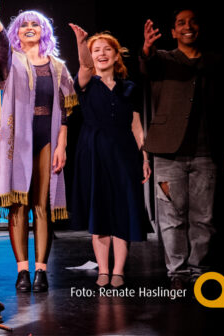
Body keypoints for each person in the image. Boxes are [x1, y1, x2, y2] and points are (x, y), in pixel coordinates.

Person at [139, 9, 224, 290]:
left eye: (193, 21)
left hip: (206, 154)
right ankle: (178, 273)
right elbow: (148, 65)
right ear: (173, 32)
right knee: (171, 217)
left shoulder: (215, 63)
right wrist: (147, 48)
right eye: (181, 23)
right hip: (168, 154)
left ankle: (198, 270)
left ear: (200, 28)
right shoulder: (164, 60)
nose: (187, 26)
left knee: (203, 218)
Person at [0, 0, 76, 293]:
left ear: (43, 31)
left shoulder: (58, 67)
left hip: (47, 138)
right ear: (17, 31)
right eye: (23, 24)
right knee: (18, 204)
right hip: (17, 141)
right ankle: (22, 271)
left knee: (42, 204)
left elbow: (65, 111)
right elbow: (1, 46)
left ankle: (41, 271)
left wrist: (62, 145)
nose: (29, 27)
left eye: (35, 24)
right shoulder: (10, 62)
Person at [68, 26, 151, 288]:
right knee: (100, 211)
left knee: (123, 211)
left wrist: (144, 158)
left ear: (116, 56)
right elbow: (84, 65)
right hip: (94, 153)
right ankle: (103, 270)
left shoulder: (129, 88)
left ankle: (119, 270)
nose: (101, 54)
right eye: (96, 50)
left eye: (107, 50)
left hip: (124, 154)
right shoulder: (86, 84)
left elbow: (136, 126)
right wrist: (82, 43)